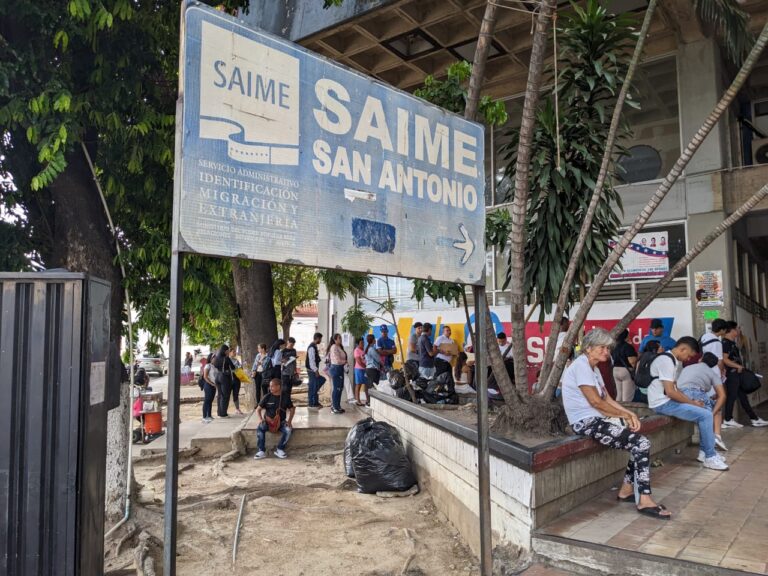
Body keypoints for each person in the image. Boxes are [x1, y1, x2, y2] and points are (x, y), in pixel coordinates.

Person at [561, 328, 670, 519]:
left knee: (638, 442)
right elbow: (596, 402)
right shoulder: (581, 366)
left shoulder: (593, 368)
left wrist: (629, 414)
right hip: (585, 422)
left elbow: (607, 398)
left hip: (596, 419)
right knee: (641, 443)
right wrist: (625, 416)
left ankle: (627, 490)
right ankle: (644, 500)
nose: (606, 352)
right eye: (602, 347)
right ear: (588, 348)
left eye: (608, 348)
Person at [648, 336, 728, 470]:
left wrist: (692, 402)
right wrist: (693, 403)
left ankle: (705, 453)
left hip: (666, 401)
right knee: (706, 415)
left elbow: (675, 389)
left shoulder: (671, 360)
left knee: (706, 413)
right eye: (689, 355)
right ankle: (709, 456)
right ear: (682, 349)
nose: (689, 359)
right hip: (661, 404)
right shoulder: (666, 361)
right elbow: (670, 392)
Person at [677, 352, 728, 451]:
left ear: (700, 359)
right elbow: (723, 396)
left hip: (680, 396)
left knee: (704, 414)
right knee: (715, 410)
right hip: (698, 394)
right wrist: (712, 414)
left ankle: (707, 449)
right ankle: (716, 438)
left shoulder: (687, 368)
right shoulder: (712, 373)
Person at [721, 321, 768, 428]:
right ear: (732, 330)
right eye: (737, 328)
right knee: (732, 397)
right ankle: (728, 419)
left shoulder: (732, 342)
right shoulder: (726, 343)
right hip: (732, 374)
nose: (739, 330)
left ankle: (754, 419)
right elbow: (725, 360)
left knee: (742, 397)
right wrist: (738, 366)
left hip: (736, 374)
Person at [253, 379, 295, 460]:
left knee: (288, 430)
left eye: (272, 386)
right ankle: (261, 451)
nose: (270, 388)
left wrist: (289, 421)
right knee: (260, 428)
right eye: (270, 386)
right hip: (268, 422)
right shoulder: (267, 397)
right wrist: (260, 419)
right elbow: (258, 409)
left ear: (278, 387)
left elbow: (292, 409)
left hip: (281, 422)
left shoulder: (285, 397)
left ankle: (280, 449)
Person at [612, 329, 638, 403]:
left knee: (619, 395)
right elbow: (632, 361)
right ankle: (625, 413)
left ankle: (617, 413)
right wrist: (636, 371)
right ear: (626, 336)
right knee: (627, 397)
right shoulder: (628, 347)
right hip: (626, 371)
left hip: (615, 370)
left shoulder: (614, 347)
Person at [212, 344, 236, 418]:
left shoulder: (216, 358)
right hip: (224, 377)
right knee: (225, 395)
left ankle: (219, 412)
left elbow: (214, 365)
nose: (228, 351)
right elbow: (233, 367)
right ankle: (223, 413)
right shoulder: (226, 358)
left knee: (220, 395)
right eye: (228, 350)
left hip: (217, 376)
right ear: (225, 351)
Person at [328, 333, 348, 414]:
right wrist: (345, 361)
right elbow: (337, 360)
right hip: (336, 368)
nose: (341, 339)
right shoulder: (334, 347)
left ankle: (338, 406)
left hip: (340, 368)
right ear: (335, 339)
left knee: (340, 388)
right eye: (339, 338)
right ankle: (334, 407)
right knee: (337, 389)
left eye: (341, 338)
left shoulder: (339, 347)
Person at [306, 333, 325, 409]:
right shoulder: (311, 347)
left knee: (315, 385)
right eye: (320, 339)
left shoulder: (314, 346)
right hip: (312, 370)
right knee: (314, 386)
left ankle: (315, 402)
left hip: (313, 370)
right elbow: (311, 361)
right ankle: (312, 403)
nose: (320, 340)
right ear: (317, 338)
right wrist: (316, 371)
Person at [364, 334, 382, 405]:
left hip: (369, 369)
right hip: (373, 370)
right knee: (373, 386)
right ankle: (370, 402)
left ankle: (369, 401)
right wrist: (383, 365)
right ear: (373, 340)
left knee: (369, 385)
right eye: (374, 339)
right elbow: (378, 359)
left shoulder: (368, 348)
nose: (375, 340)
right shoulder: (371, 349)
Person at [281, 337, 299, 402]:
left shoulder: (294, 350)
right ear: (287, 342)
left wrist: (295, 371)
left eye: (293, 345)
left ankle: (288, 402)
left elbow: (294, 362)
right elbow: (281, 361)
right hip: (285, 372)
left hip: (292, 372)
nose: (292, 346)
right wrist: (286, 360)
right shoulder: (283, 351)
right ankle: (284, 402)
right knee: (285, 388)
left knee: (290, 389)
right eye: (291, 345)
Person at [201, 352, 217, 423]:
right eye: (214, 358)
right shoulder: (208, 366)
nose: (215, 359)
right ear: (211, 358)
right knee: (207, 401)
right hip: (208, 385)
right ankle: (204, 416)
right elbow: (205, 376)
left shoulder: (213, 366)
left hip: (213, 385)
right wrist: (211, 383)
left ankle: (209, 415)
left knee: (210, 401)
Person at [229, 347, 245, 415]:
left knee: (236, 394)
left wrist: (239, 367)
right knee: (227, 394)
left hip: (237, 378)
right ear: (229, 353)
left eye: (235, 352)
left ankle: (237, 408)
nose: (235, 353)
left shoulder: (236, 360)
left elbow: (240, 368)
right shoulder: (227, 360)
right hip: (230, 378)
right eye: (233, 352)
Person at [353, 337, 367, 406]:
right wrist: (365, 367)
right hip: (359, 369)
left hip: (364, 369)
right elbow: (359, 361)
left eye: (363, 343)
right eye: (361, 343)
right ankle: (357, 400)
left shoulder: (363, 350)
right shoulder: (356, 350)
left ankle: (364, 400)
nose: (363, 344)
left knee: (363, 384)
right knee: (358, 385)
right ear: (358, 344)